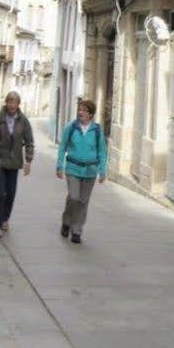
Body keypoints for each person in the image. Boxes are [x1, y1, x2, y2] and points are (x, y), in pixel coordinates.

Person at [0, 91, 34, 238]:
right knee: (0, 193)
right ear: (6, 103)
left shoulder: (23, 121)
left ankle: (5, 218)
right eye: (10, 102)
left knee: (11, 193)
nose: (12, 105)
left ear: (18, 104)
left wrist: (28, 161)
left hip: (14, 162)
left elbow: (30, 142)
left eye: (15, 102)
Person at [56, 98, 107, 244]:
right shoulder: (71, 127)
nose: (81, 112)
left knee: (83, 201)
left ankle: (76, 230)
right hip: (73, 168)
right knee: (74, 197)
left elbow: (102, 152)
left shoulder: (97, 130)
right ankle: (66, 221)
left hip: (90, 171)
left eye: (84, 110)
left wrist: (102, 170)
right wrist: (59, 165)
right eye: (80, 109)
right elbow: (63, 147)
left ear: (91, 114)